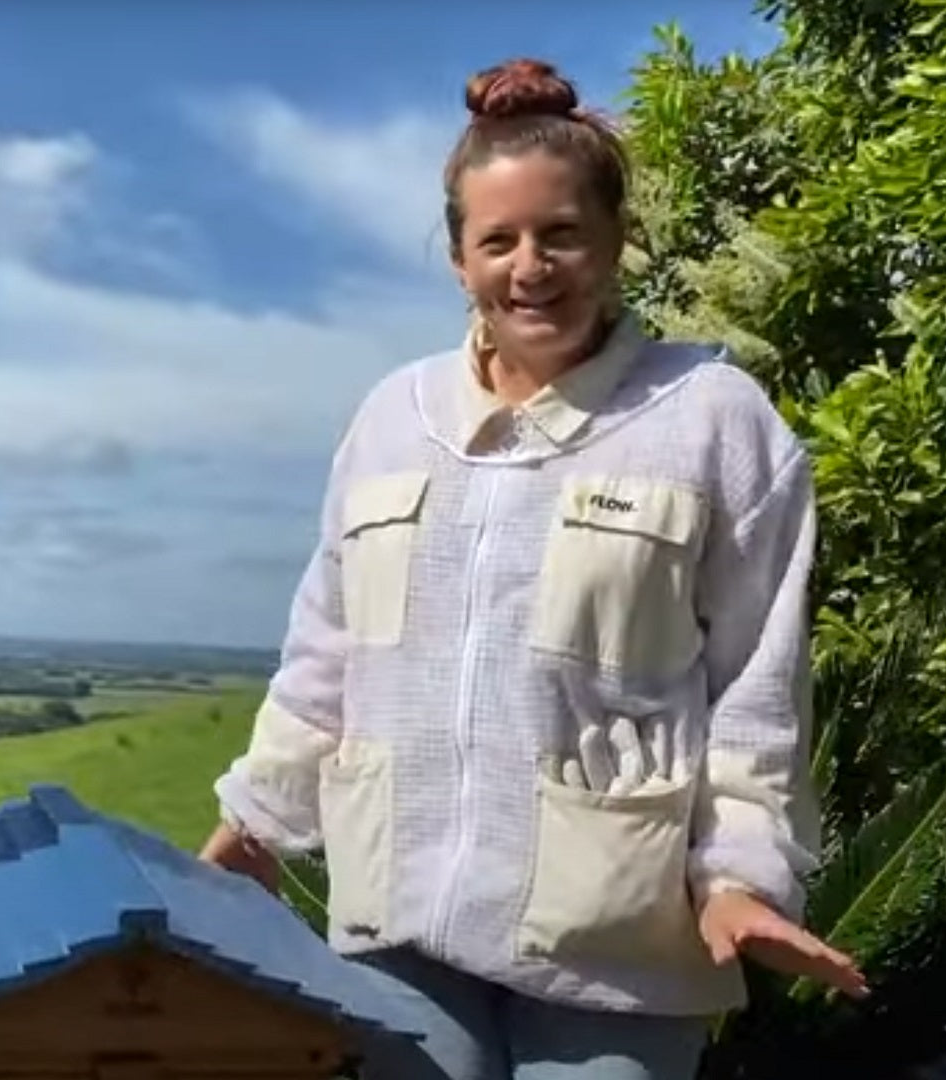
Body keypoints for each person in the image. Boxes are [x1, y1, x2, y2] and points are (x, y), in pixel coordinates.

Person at [199, 57, 866, 1080]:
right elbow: (329, 649)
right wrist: (257, 822)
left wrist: (740, 879)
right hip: (399, 906)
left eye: (561, 233)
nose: (531, 266)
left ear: (615, 239)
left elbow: (755, 689)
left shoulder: (713, 420)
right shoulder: (393, 418)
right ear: (459, 261)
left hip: (619, 937)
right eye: (496, 240)